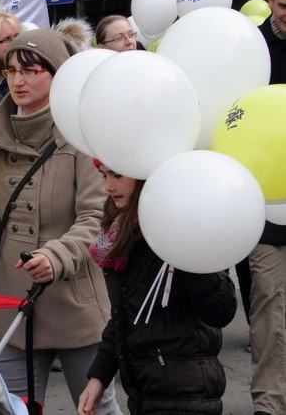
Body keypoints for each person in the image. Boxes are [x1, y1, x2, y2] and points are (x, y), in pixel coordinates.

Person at [0, 22, 122, 414]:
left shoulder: (80, 134)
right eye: (13, 70)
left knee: (94, 407)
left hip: (75, 302)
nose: (18, 80)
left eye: (32, 70)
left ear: (57, 74)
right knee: (9, 407)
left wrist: (55, 256)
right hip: (13, 301)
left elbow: (95, 218)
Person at [77, 160, 237, 415]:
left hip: (186, 394)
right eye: (103, 175)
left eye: (117, 175)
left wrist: (186, 258)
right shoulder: (122, 230)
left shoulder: (182, 225)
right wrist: (99, 376)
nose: (108, 186)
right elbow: (125, 315)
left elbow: (221, 310)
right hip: (145, 391)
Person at [249, 0, 286, 415]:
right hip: (263, 205)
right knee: (270, 314)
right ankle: (269, 404)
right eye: (283, 6)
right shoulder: (251, 46)